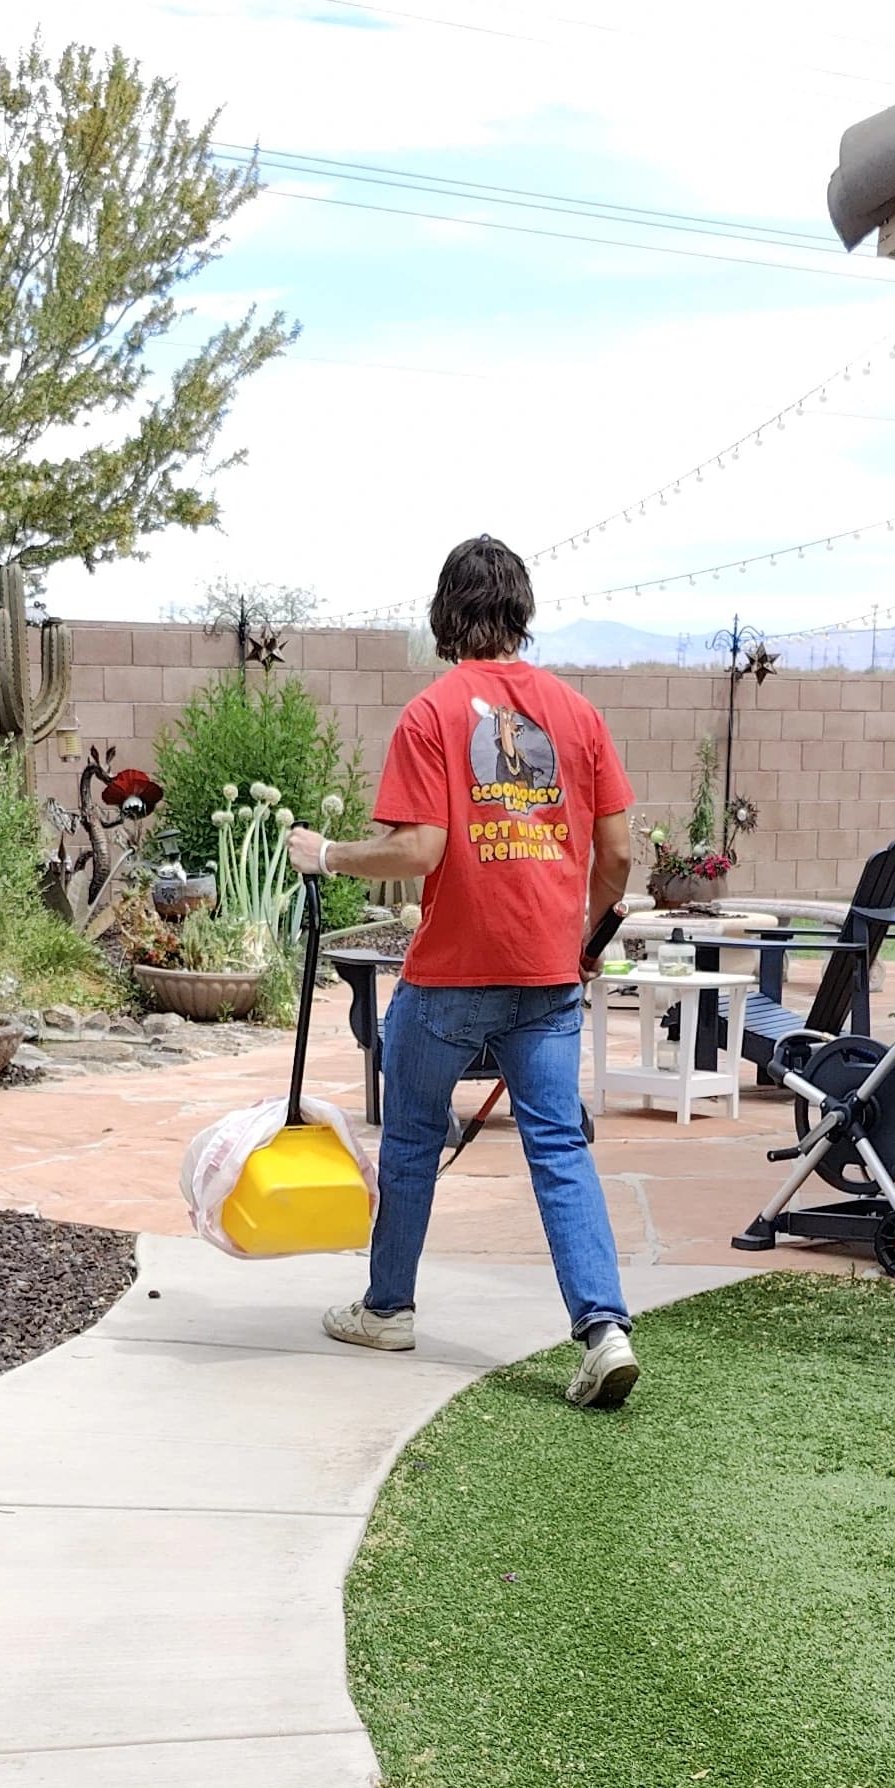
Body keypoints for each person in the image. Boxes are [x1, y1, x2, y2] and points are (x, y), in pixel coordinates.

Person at [285, 531, 641, 1410]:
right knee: (559, 1146)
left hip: (448, 979)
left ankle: (388, 1308)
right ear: (520, 611)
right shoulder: (578, 714)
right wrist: (583, 940)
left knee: (409, 1135)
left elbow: (420, 849)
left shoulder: (432, 713)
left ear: (446, 614)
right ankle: (604, 1330)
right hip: (548, 981)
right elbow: (622, 854)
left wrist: (325, 853)